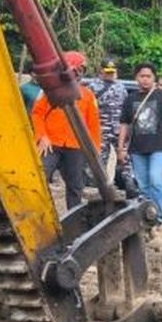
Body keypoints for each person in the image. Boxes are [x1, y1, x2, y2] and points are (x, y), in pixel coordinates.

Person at [31, 51, 101, 209]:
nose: (79, 74)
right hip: (50, 143)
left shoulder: (88, 95)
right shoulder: (50, 92)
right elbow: (37, 114)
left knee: (76, 186)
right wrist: (42, 136)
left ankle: (74, 220)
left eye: (81, 70)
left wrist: (94, 151)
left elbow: (94, 125)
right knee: (40, 177)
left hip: (76, 146)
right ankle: (36, 212)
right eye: (77, 69)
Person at [119, 63, 162, 223]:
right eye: (142, 76)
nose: (145, 80)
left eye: (148, 76)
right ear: (136, 78)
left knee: (156, 179)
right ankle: (147, 216)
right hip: (136, 148)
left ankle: (159, 215)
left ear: (154, 78)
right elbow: (124, 124)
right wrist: (121, 148)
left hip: (159, 146)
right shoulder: (130, 98)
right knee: (143, 185)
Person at [86, 58, 131, 186]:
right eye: (107, 71)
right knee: (99, 158)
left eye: (112, 72)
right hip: (101, 129)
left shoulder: (121, 87)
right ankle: (96, 184)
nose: (110, 74)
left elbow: (126, 108)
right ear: (101, 70)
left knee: (125, 157)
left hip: (118, 128)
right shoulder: (93, 87)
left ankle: (129, 182)